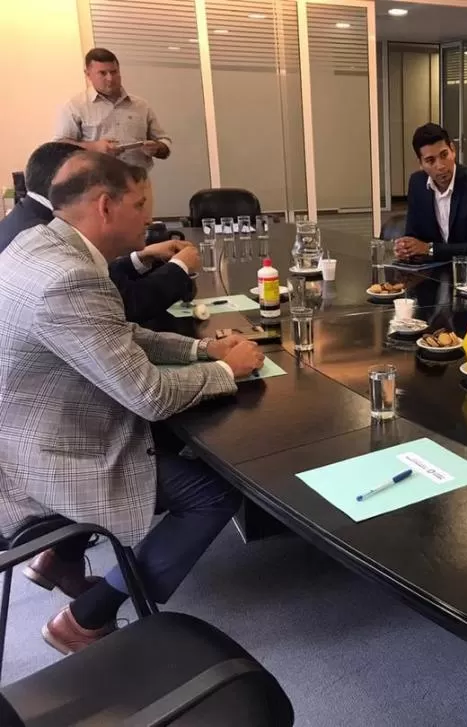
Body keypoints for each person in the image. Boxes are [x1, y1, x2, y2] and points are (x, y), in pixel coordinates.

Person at [0, 151, 264, 653]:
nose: (149, 218)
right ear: (105, 206)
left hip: (25, 440)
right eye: (140, 204)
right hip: (50, 463)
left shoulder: (38, 244)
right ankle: (85, 618)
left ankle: (60, 558)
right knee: (213, 493)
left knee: (184, 441)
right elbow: (148, 395)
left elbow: (117, 333)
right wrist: (229, 369)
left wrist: (201, 348)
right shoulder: (67, 278)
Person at [0, 142, 200, 323]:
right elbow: (123, 307)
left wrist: (139, 258)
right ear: (62, 181)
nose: (147, 219)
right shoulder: (43, 230)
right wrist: (179, 267)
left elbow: (100, 277)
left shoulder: (29, 220)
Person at [395, 123, 467, 282]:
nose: (441, 166)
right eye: (430, 160)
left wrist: (428, 249)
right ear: (421, 163)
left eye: (444, 155)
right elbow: (413, 233)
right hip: (432, 276)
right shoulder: (417, 184)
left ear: (453, 150)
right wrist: (406, 248)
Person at [54, 47, 171, 171]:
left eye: (114, 72)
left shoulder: (141, 105)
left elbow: (164, 141)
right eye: (103, 73)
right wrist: (94, 147)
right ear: (88, 74)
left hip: (138, 182)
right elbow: (59, 148)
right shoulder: (75, 106)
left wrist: (157, 148)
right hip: (96, 183)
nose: (110, 78)